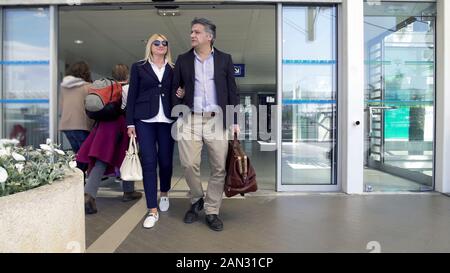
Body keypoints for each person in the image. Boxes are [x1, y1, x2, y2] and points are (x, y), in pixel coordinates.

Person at [171, 18, 240, 232]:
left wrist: (235, 121)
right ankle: (197, 198)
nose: (192, 35)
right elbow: (175, 90)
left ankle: (211, 211)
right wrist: (178, 102)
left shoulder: (224, 59)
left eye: (197, 32)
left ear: (209, 37)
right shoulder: (182, 60)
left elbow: (232, 92)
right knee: (189, 163)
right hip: (190, 118)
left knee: (219, 166)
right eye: (191, 32)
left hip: (217, 119)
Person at [126, 34, 180, 229]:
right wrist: (130, 123)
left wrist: (180, 94)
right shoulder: (139, 66)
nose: (160, 45)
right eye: (156, 42)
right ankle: (152, 209)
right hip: (144, 120)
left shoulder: (173, 69)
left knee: (165, 161)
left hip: (167, 120)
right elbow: (132, 96)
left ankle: (164, 193)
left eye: (164, 43)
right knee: (149, 162)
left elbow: (178, 92)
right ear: (150, 45)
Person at [77, 64, 142, 215]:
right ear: (128, 75)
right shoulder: (128, 88)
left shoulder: (106, 87)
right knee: (128, 156)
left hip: (103, 127)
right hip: (121, 126)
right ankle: (128, 192)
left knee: (101, 159)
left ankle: (88, 195)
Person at [59, 61, 94, 172]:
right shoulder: (88, 87)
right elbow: (92, 106)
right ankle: (77, 178)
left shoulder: (63, 87)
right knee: (85, 156)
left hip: (66, 125)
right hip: (81, 125)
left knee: (79, 154)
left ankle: (78, 181)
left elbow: (61, 105)